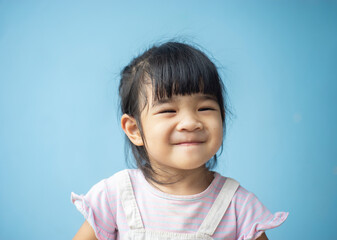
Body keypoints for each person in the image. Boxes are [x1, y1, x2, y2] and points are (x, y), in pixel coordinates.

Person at [71, 41, 288, 240]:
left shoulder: (239, 207)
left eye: (205, 108)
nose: (190, 122)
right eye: (168, 110)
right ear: (134, 129)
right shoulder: (115, 195)